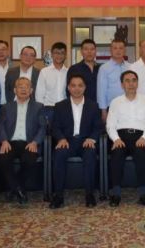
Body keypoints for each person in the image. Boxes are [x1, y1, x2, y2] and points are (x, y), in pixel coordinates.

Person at [51, 74, 102, 208]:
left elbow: (98, 127)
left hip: (86, 141)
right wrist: (61, 138)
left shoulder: (93, 106)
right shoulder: (60, 106)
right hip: (67, 141)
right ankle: (58, 195)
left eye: (80, 85)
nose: (77, 89)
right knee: (59, 154)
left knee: (90, 154)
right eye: (73, 85)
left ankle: (89, 194)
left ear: (85, 88)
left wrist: (92, 138)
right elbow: (55, 127)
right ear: (68, 87)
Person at [106, 70, 145, 207]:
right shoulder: (115, 102)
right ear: (122, 84)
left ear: (137, 83)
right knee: (117, 154)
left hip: (140, 136)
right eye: (127, 81)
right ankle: (116, 193)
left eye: (134, 80)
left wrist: (144, 138)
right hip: (120, 137)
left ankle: (143, 194)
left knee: (141, 154)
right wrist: (116, 139)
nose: (131, 84)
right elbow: (110, 125)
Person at [0, 77, 47, 204]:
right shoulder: (6, 107)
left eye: (26, 87)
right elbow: (0, 126)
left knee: (29, 160)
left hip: (29, 143)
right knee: (3, 158)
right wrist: (4, 140)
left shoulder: (38, 107)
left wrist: (35, 142)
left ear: (31, 91)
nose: (23, 89)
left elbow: (43, 127)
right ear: (15, 90)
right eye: (20, 86)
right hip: (10, 142)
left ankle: (14, 188)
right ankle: (19, 189)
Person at [97, 39, 130, 122]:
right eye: (115, 48)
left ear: (125, 50)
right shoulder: (104, 68)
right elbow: (101, 91)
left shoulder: (130, 67)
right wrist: (103, 111)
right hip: (112, 107)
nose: (118, 51)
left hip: (129, 106)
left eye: (121, 48)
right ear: (110, 50)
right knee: (112, 129)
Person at [36, 42, 68, 123]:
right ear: (52, 54)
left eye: (62, 53)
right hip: (48, 109)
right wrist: (41, 111)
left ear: (65, 55)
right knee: (48, 130)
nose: (59, 56)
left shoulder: (69, 72)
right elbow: (39, 94)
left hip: (65, 108)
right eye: (56, 53)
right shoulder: (44, 71)